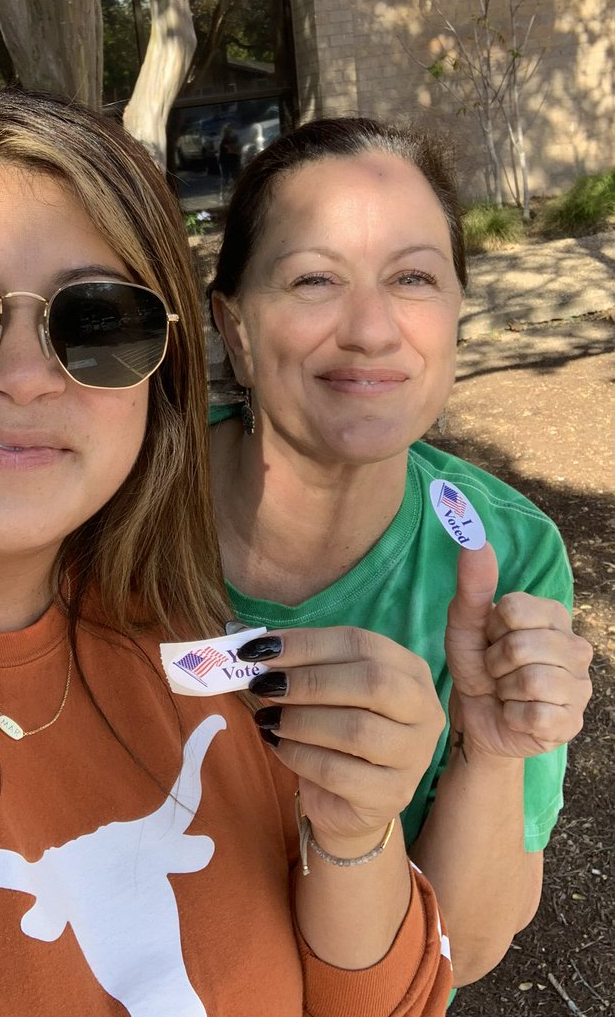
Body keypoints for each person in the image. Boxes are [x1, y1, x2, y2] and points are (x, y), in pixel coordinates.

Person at [0, 87, 454, 1016]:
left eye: (98, 324)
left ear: (161, 379)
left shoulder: (196, 659)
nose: (23, 377)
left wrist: (353, 832)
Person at [207, 117, 594, 991]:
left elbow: (461, 951)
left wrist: (490, 749)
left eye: (413, 278)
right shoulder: (117, 503)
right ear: (235, 328)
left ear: (456, 315)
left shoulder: (508, 555)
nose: (372, 330)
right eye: (315, 279)